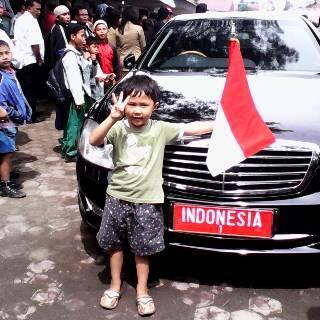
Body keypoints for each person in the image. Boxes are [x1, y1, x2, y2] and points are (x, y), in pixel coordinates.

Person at [89, 75, 214, 316]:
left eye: (144, 105)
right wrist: (113, 117)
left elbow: (190, 128)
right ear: (124, 105)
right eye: (132, 104)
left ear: (154, 106)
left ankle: (142, 290)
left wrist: (219, 124)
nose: (137, 111)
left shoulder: (160, 130)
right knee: (114, 246)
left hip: (147, 202)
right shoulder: (117, 127)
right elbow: (95, 140)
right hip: (116, 197)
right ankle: (115, 286)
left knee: (142, 249)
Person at [0, 40, 32, 198]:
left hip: (10, 122)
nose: (5, 57)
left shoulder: (9, 72)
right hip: (4, 122)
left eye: (7, 53)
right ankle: (5, 185)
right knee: (6, 153)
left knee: (7, 151)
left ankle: (4, 179)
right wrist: (15, 114)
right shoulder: (1, 77)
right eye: (0, 54)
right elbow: (1, 105)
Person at [61, 23, 94, 161]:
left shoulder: (77, 53)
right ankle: (70, 152)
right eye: (82, 35)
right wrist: (79, 100)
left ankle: (68, 148)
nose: (84, 38)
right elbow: (74, 79)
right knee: (75, 123)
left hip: (80, 94)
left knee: (73, 123)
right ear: (72, 37)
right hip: (77, 96)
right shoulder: (70, 56)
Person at [14, 0, 45, 123]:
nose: (39, 12)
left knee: (29, 89)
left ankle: (32, 111)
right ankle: (31, 114)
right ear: (29, 8)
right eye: (37, 9)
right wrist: (39, 59)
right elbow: (34, 43)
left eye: (40, 9)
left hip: (25, 59)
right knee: (30, 90)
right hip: (30, 59)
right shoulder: (29, 20)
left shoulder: (22, 19)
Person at [115, 5, 146, 74]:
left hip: (123, 63)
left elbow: (118, 48)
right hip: (136, 62)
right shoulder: (138, 28)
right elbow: (143, 46)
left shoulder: (118, 30)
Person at [85, 36, 115, 101]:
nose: (96, 49)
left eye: (97, 47)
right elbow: (86, 78)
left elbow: (99, 74)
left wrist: (107, 76)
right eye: (94, 47)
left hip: (99, 92)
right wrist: (96, 79)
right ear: (87, 48)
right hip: (92, 94)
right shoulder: (86, 60)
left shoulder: (95, 60)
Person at [94, 19, 120, 90]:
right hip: (97, 81)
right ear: (94, 32)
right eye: (99, 30)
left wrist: (117, 78)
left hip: (109, 81)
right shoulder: (93, 48)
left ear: (107, 30)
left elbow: (116, 64)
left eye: (104, 29)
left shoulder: (111, 47)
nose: (102, 31)